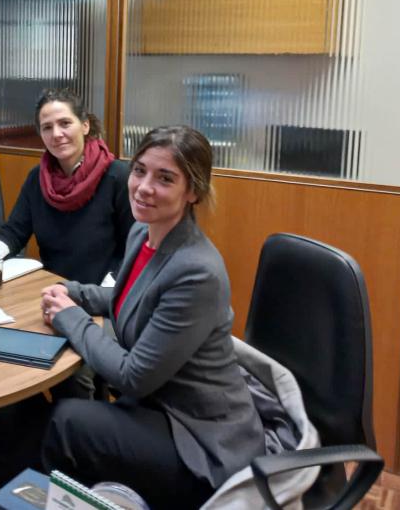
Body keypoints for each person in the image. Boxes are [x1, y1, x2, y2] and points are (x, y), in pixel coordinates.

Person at [38, 126, 265, 509]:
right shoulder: (143, 233)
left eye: (165, 178)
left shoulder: (197, 271)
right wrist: (75, 292)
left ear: (192, 192)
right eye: (139, 170)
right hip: (158, 409)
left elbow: (133, 376)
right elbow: (129, 298)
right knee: (45, 416)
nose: (143, 186)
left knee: (67, 421)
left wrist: (70, 317)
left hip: (201, 439)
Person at [0, 88, 134, 285]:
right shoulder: (38, 178)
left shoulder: (118, 177)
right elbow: (14, 232)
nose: (57, 134)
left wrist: (104, 294)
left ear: (85, 126)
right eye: (47, 127)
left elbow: (135, 249)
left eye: (65, 123)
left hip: (104, 294)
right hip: (52, 291)